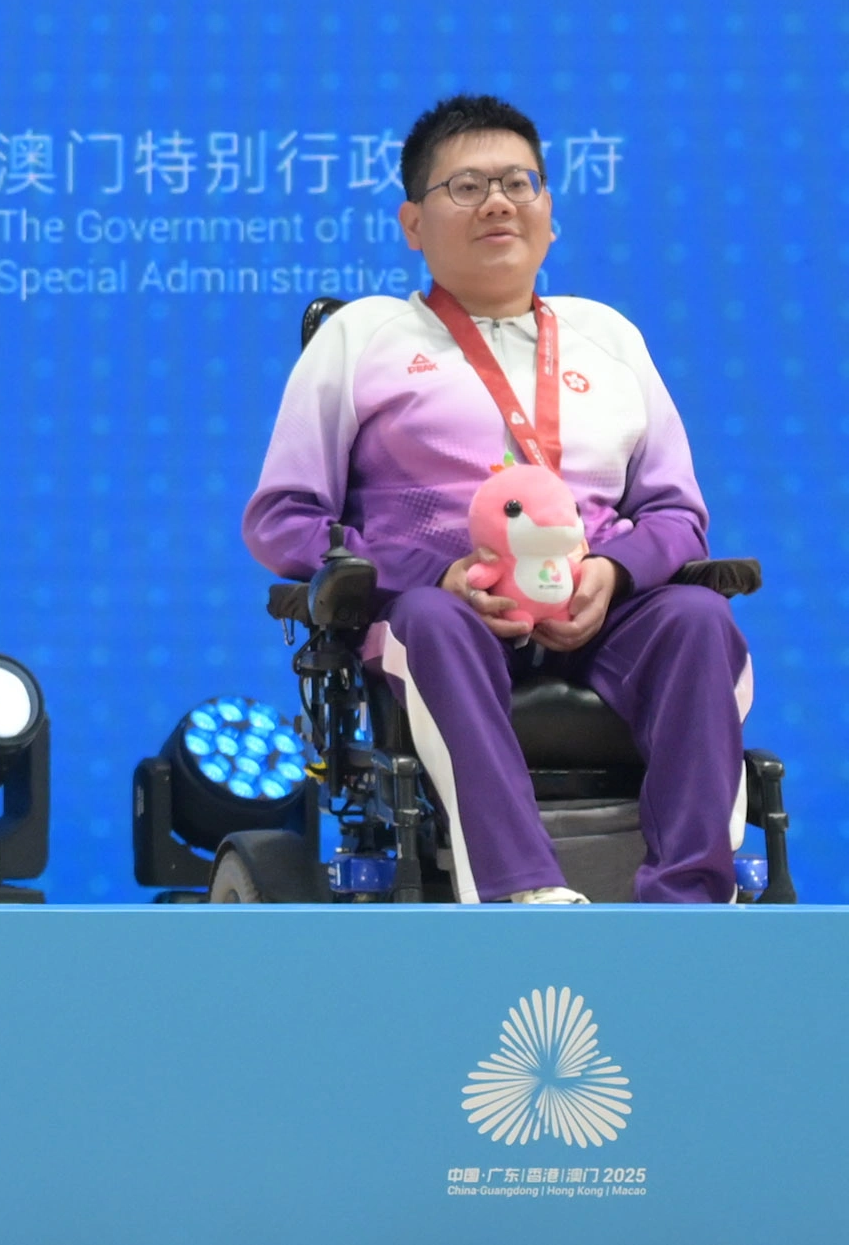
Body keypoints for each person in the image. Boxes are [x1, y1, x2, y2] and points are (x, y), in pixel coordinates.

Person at [249, 93, 743, 904]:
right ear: (413, 223)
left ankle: (691, 896)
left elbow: (677, 514)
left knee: (698, 617)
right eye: (467, 186)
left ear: (549, 213)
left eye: (519, 182)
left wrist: (613, 573)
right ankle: (524, 889)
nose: (499, 202)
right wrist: (429, 573)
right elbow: (283, 518)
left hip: (599, 611)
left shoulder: (608, 337)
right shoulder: (364, 336)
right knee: (434, 620)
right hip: (445, 614)